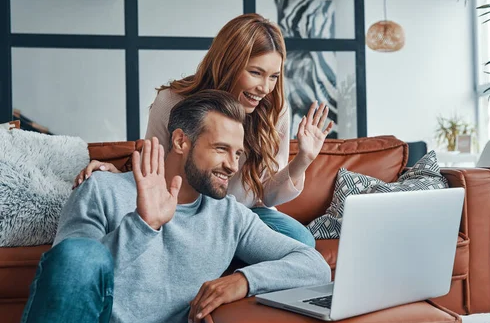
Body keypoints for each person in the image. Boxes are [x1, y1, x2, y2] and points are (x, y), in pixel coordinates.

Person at [19, 90, 331, 323]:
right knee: (80, 254)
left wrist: (242, 281)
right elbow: (67, 277)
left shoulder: (229, 215)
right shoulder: (103, 190)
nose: (232, 165)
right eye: (221, 149)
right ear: (181, 141)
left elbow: (313, 264)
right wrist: (142, 226)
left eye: (238, 153)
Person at [74, 13, 332, 247]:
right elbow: (158, 169)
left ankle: (235, 275)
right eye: (256, 72)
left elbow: (268, 196)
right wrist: (116, 178)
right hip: (186, 210)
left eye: (274, 77)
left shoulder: (274, 110)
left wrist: (303, 160)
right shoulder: (172, 101)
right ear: (229, 63)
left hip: (247, 214)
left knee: (301, 242)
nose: (265, 88)